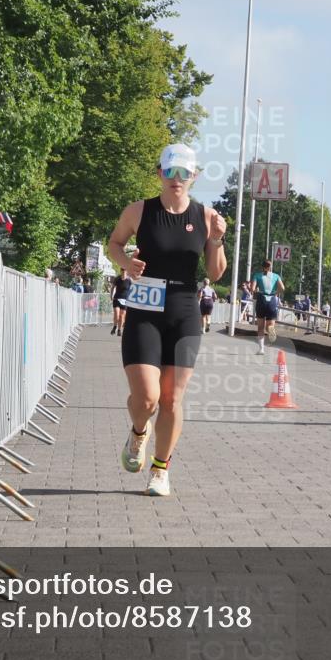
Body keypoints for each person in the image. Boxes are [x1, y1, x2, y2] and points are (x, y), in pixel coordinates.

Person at [107, 143, 226, 497]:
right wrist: (126, 264)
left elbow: (216, 273)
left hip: (184, 311)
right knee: (146, 399)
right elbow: (114, 243)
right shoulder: (139, 211)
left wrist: (218, 239)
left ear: (194, 176)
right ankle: (138, 432)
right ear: (159, 173)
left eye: (184, 173)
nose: (177, 179)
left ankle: (161, 470)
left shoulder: (205, 217)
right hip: (144, 310)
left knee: (172, 399)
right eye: (170, 172)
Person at [251, 260, 284, 355]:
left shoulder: (257, 275)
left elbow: (252, 289)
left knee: (260, 327)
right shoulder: (276, 276)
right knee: (270, 325)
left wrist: (257, 290)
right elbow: (282, 288)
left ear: (263, 267)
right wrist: (275, 292)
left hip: (261, 300)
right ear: (270, 267)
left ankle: (261, 349)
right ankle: (271, 329)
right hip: (272, 300)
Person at [110, 268, 130, 336]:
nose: (123, 271)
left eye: (124, 270)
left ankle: (119, 330)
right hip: (117, 298)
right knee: (117, 314)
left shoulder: (129, 280)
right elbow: (112, 287)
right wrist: (111, 295)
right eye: (122, 270)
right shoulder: (117, 279)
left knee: (122, 316)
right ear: (120, 271)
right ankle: (115, 326)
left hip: (125, 300)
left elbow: (133, 289)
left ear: (126, 271)